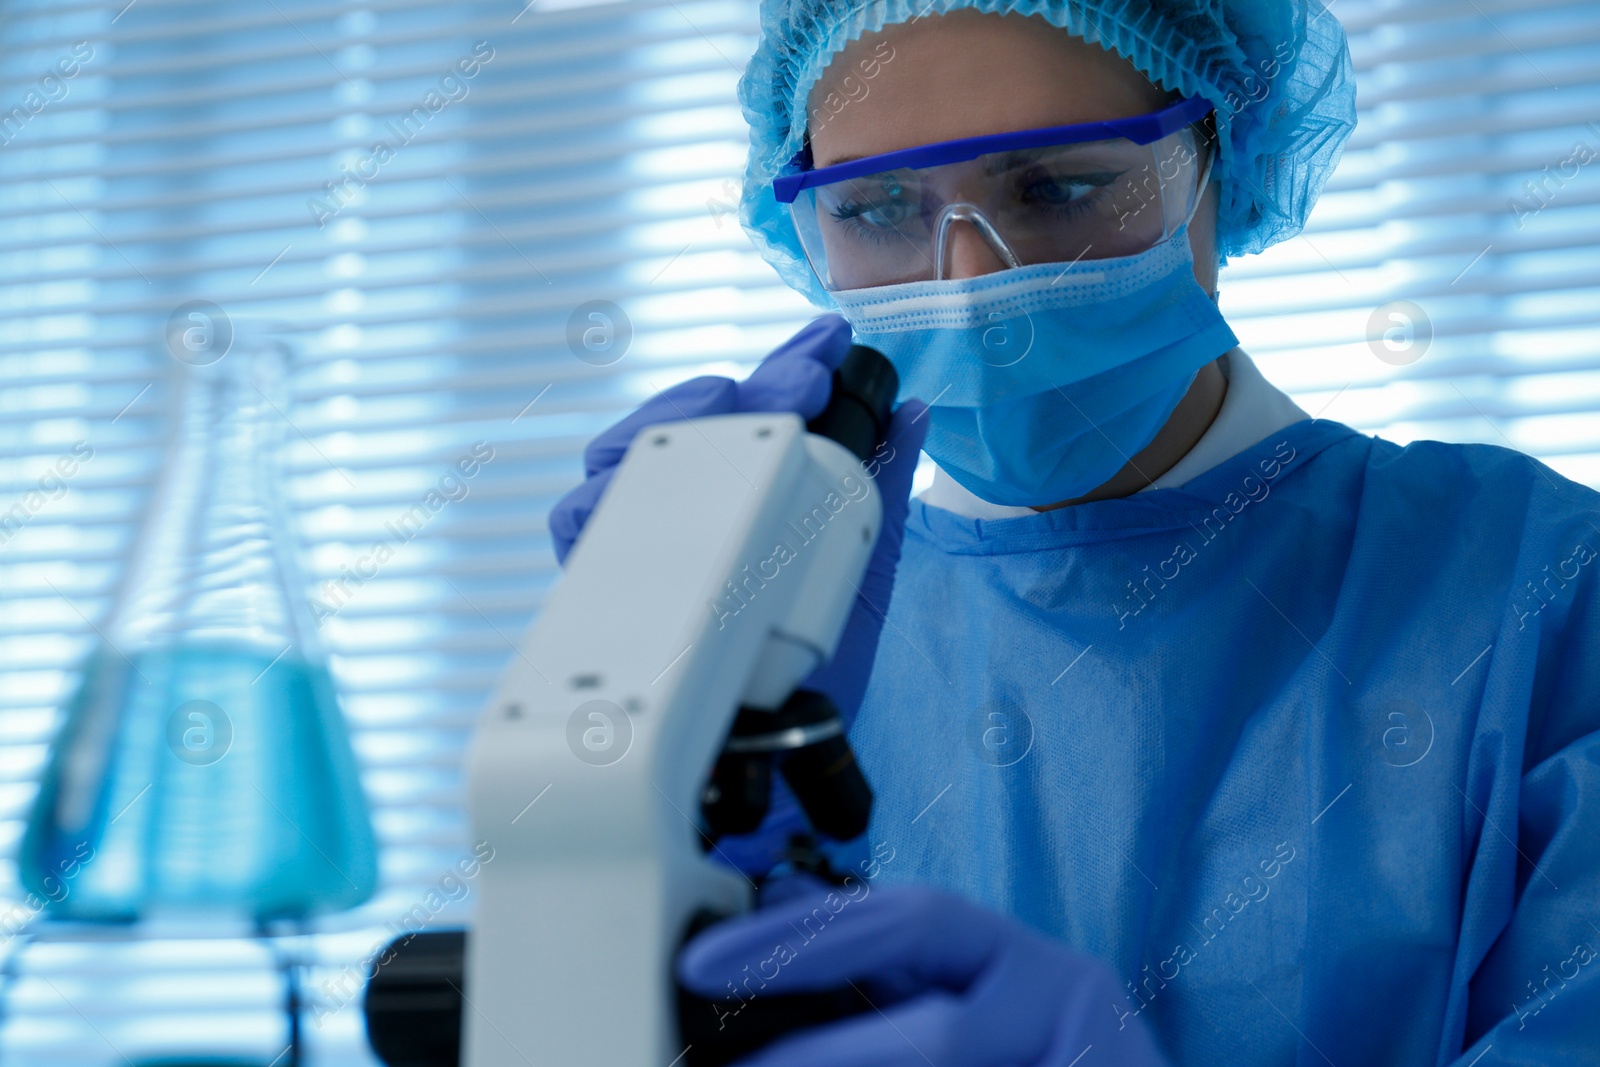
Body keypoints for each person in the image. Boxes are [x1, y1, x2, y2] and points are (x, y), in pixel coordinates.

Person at [552, 2, 1600, 1064]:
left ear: (1220, 161)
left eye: (1056, 188)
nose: (969, 287)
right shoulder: (778, 633)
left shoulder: (1539, 588)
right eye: (874, 207)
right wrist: (623, 761)